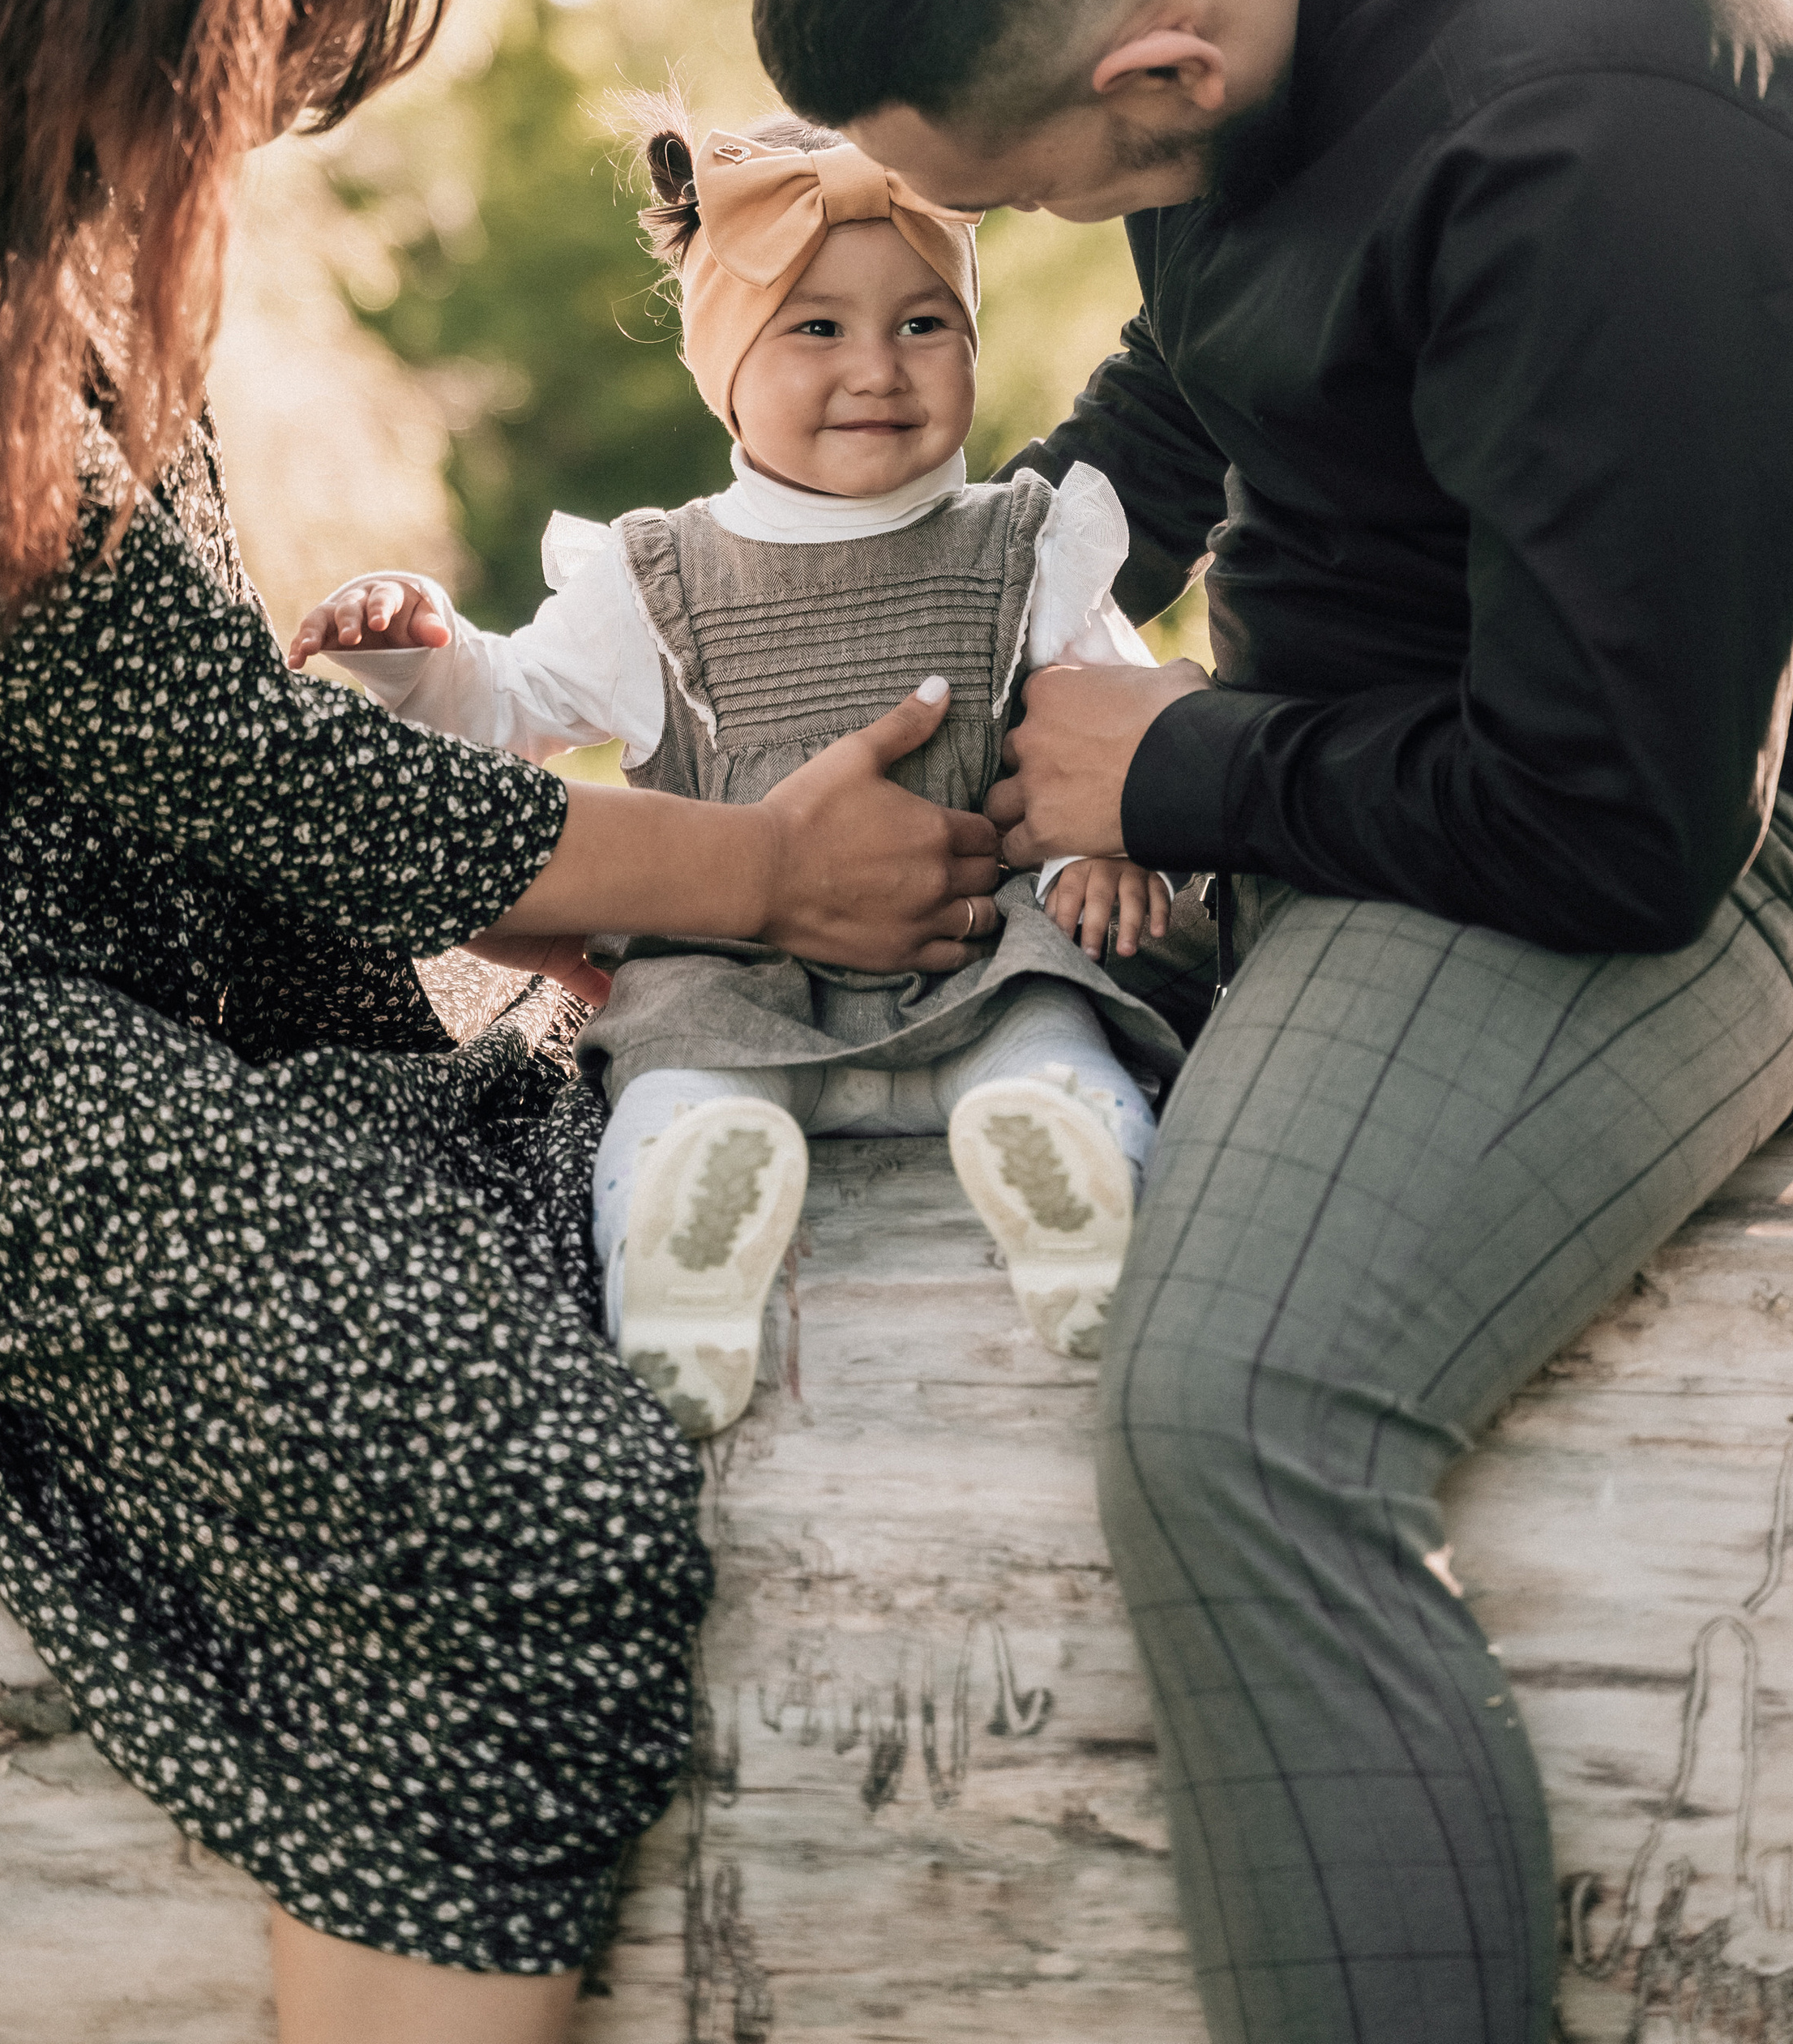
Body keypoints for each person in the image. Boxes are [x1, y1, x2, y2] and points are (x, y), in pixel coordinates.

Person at [0, 0, 1003, 2044]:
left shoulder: (5, 181)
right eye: (266, 75)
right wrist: (752, 866)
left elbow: (190, 732)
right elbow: (234, 766)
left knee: (541, 1177)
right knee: (526, 1505)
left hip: (53, 988)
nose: (247, 142)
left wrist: (543, 896)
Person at [747, 0, 1793, 2044]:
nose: (1070, 234)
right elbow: (1195, 397)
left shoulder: (1604, 105)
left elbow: (1630, 818)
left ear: (1167, 70)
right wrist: (958, 654)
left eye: (1052, 190)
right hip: (1340, 748)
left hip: (1725, 826)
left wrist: (1196, 777)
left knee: (1233, 1412)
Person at [291, 106, 1191, 1438]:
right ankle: (685, 1271)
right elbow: (515, 714)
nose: (877, 368)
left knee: (1061, 1041)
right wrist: (420, 658)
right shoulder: (658, 574)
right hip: (738, 985)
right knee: (668, 1088)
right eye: (817, 328)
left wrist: (1107, 851)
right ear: (725, 362)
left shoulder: (1029, 542)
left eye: (923, 323)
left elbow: (1117, 728)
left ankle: (1078, 1212)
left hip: (980, 962)